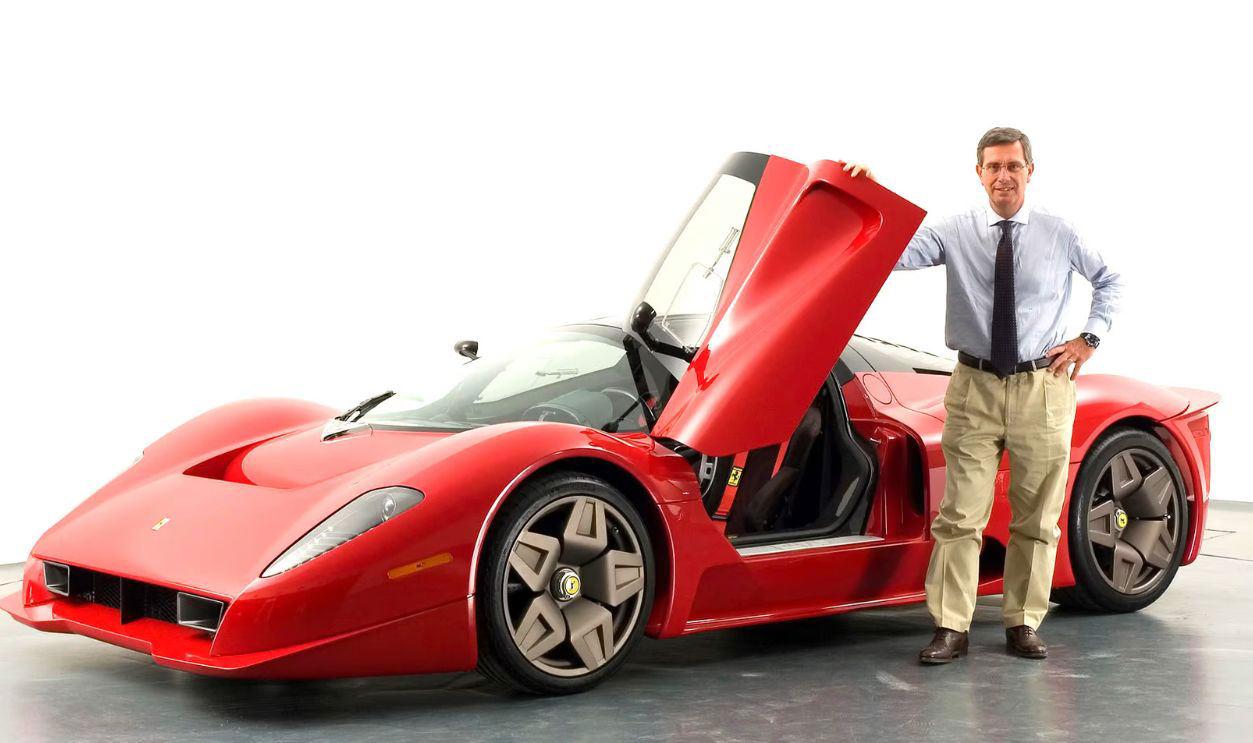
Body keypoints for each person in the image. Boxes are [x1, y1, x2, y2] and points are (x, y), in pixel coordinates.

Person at [845, 127, 1124, 663]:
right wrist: (870, 195)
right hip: (974, 388)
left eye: (1013, 166)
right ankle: (951, 626)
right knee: (960, 515)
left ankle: (1023, 621)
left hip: (1042, 388)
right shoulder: (955, 231)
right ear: (979, 173)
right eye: (993, 166)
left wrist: (1089, 339)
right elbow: (892, 252)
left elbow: (1110, 280)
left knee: (1037, 517)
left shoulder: (1059, 232)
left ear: (1029, 171)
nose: (1003, 176)